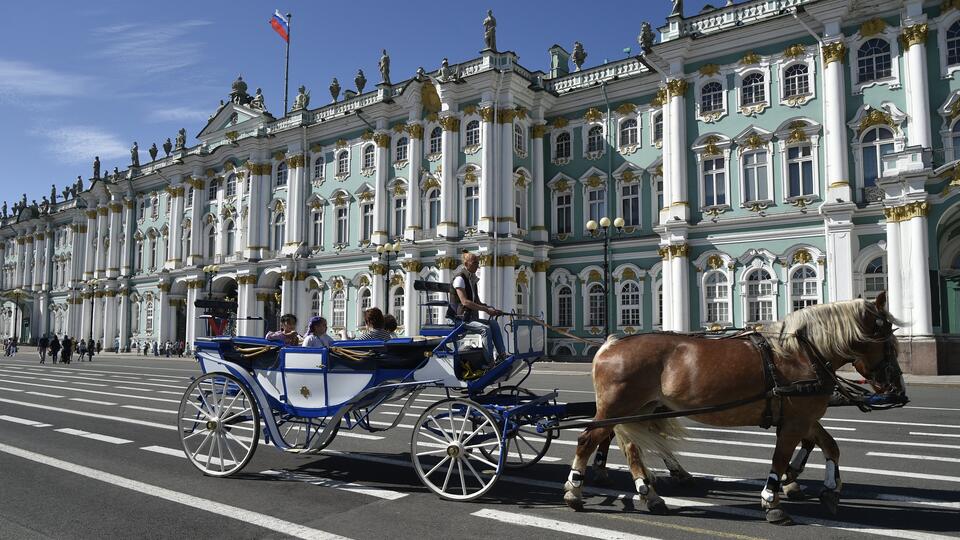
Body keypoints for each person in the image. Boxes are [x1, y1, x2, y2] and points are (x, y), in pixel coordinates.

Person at [449, 251, 506, 364]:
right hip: (461, 319)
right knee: (485, 329)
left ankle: (502, 355)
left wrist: (491, 309)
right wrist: (486, 310)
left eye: (478, 263)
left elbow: (478, 302)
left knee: (493, 324)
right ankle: (489, 361)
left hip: (471, 318)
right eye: (474, 263)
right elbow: (465, 302)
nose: (477, 265)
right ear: (466, 263)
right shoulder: (460, 279)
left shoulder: (472, 280)